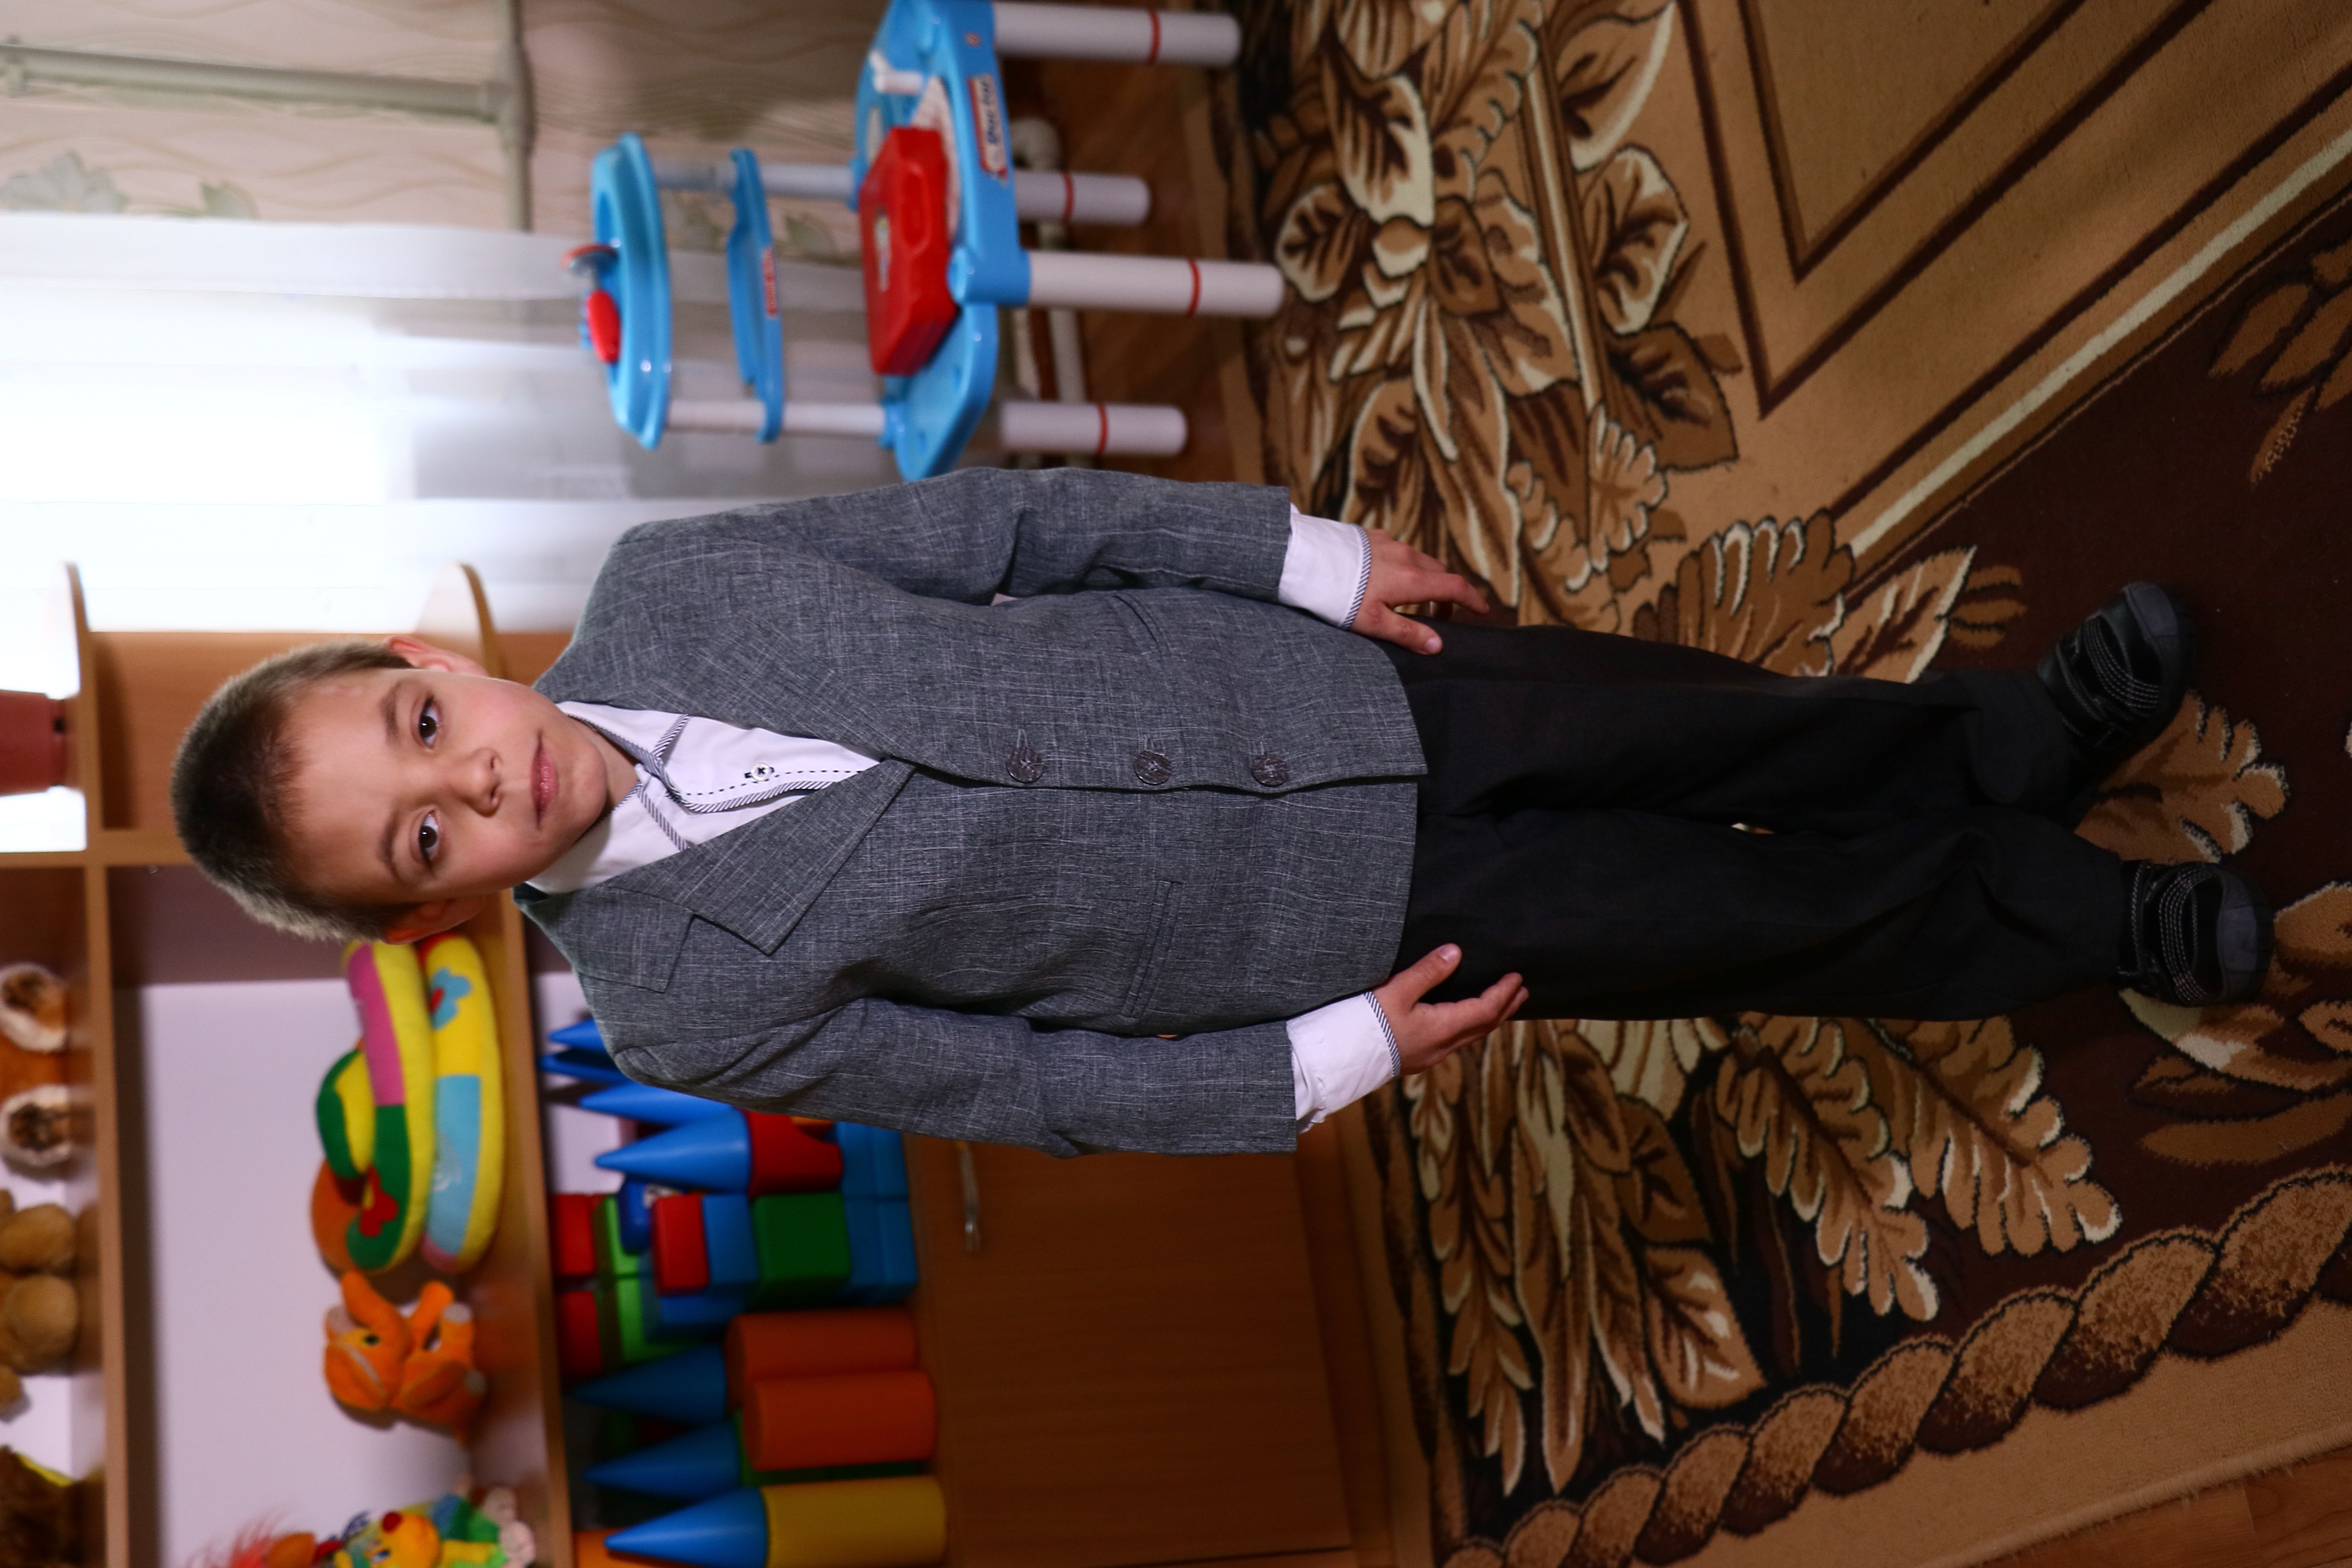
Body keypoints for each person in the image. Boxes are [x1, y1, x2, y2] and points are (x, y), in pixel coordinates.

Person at [169, 468, 2272, 1156]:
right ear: (434, 917)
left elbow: (1004, 527)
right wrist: (1326, 1057)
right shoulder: (681, 1011)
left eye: (422, 720)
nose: (476, 776)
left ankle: (2000, 749)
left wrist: (1292, 559)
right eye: (424, 836)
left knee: (1710, 731)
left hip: (1315, 682)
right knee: (1719, 920)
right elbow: (1024, 1087)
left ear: (427, 653)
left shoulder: (675, 582)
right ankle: (2072, 921)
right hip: (1342, 931)